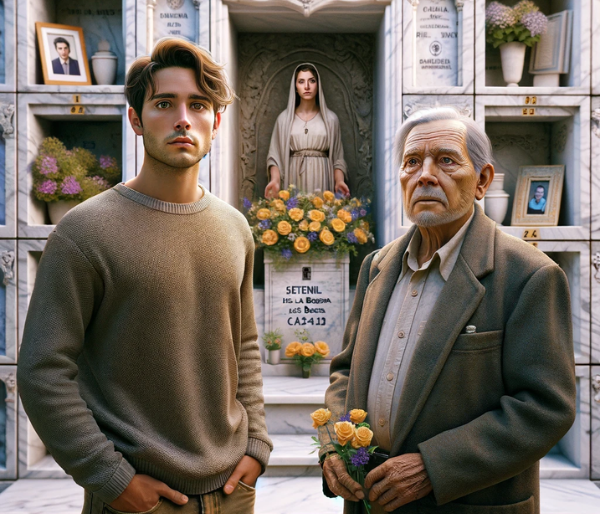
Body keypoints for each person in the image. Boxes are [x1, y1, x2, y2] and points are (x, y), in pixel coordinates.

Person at [18, 38, 272, 514]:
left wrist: (255, 443)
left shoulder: (235, 228)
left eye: (198, 105)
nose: (183, 118)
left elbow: (244, 345)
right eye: (164, 103)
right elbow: (42, 371)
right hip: (137, 499)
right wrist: (111, 478)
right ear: (136, 119)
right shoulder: (84, 231)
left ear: (216, 122)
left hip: (233, 492)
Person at [319, 107, 576, 514]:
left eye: (445, 160)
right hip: (370, 501)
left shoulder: (529, 275)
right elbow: (346, 371)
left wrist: (432, 467)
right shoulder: (376, 267)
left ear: (483, 180)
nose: (424, 174)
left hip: (467, 502)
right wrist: (334, 442)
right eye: (411, 161)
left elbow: (544, 407)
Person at [264, 63, 350, 198]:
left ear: (318, 85)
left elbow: (338, 158)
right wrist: (275, 180)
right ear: (295, 87)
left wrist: (339, 181)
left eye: (312, 81)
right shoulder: (284, 119)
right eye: (301, 81)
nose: (307, 86)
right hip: (293, 176)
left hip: (321, 177)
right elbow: (275, 156)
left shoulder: (331, 119)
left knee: (321, 214)